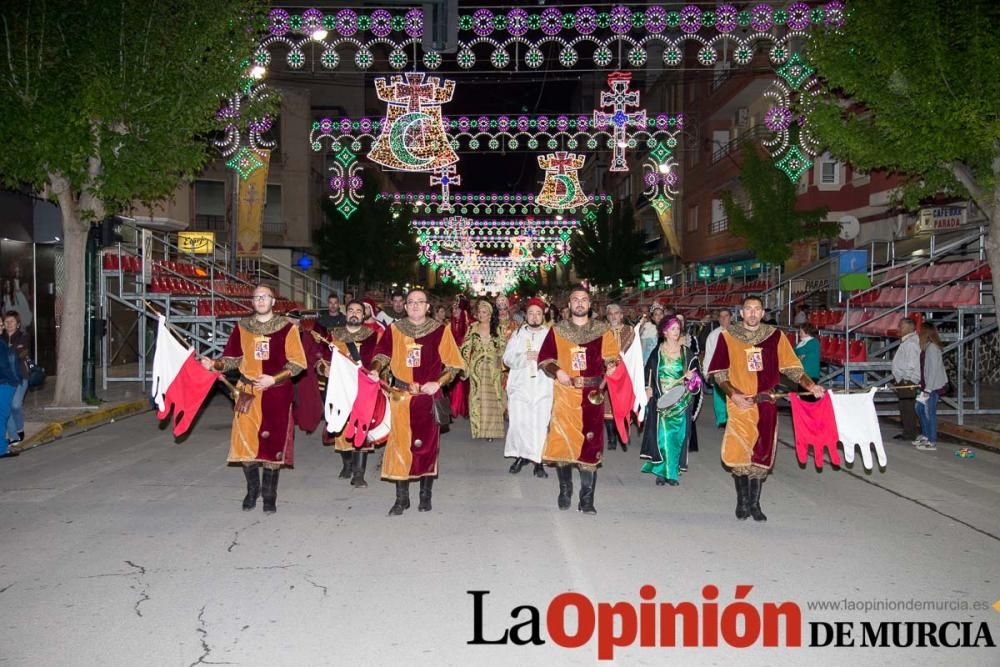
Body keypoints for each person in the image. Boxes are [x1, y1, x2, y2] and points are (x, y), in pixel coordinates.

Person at [707, 295, 824, 522]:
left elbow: (792, 367)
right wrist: (734, 394)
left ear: (762, 313)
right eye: (748, 309)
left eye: (757, 309)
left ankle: (755, 504)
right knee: (740, 454)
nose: (752, 313)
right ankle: (742, 503)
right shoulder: (728, 336)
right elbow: (719, 373)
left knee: (761, 454)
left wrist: (811, 385)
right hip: (741, 404)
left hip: (766, 404)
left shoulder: (775, 337)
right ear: (741, 313)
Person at [200, 285, 307, 513]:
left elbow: (298, 363)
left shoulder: (287, 328)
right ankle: (252, 490)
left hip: (275, 393)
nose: (260, 300)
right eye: (256, 297)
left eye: (265, 297)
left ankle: (269, 496)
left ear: (273, 301)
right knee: (245, 443)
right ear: (252, 301)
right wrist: (215, 364)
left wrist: (273, 379)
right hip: (247, 393)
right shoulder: (243, 327)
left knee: (271, 445)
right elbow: (232, 358)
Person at [370, 288, 465, 515]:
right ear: (404, 305)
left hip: (427, 397)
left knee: (426, 447)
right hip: (401, 397)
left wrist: (439, 383)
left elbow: (454, 364)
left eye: (419, 302)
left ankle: (425, 494)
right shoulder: (395, 329)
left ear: (427, 307)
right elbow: (381, 354)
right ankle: (401, 498)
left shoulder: (440, 331)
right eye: (410, 302)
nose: (414, 306)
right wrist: (375, 369)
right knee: (399, 446)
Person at [537, 286, 621, 515]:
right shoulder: (558, 330)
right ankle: (565, 489)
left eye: (584, 299)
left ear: (590, 304)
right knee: (564, 443)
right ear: (569, 304)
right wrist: (557, 371)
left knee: (590, 445)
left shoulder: (602, 330)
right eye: (575, 299)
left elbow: (612, 357)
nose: (580, 303)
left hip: (592, 395)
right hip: (566, 394)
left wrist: (612, 366)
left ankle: (587, 499)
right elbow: (545, 359)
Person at [320, 300, 383, 486]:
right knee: (341, 429)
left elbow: (380, 358)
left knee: (361, 426)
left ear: (364, 315)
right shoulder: (333, 335)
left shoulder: (374, 335)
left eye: (358, 311)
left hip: (363, 388)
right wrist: (324, 369)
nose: (354, 313)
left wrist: (376, 372)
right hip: (340, 390)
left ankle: (358, 473)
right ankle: (347, 464)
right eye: (350, 310)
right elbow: (322, 358)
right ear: (345, 313)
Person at [640, 318, 697, 486]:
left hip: (681, 401)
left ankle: (672, 473)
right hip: (662, 401)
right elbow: (648, 373)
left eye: (678, 328)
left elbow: (697, 380)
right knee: (663, 436)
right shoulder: (657, 352)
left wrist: (691, 378)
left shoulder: (687, 353)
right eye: (672, 329)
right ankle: (662, 471)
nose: (676, 331)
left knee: (677, 438)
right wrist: (648, 387)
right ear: (664, 332)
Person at [503, 298, 552, 478]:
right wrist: (525, 356)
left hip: (542, 386)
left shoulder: (550, 334)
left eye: (538, 313)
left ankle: (538, 461)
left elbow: (557, 359)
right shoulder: (518, 334)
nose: (534, 317)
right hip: (520, 386)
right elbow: (507, 358)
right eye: (531, 313)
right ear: (527, 315)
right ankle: (520, 456)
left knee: (540, 424)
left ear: (543, 315)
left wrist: (544, 360)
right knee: (519, 423)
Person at [460, 300, 506, 441]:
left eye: (484, 312)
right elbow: (465, 348)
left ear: (490, 314)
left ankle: (492, 432)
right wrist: (463, 366)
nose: (481, 315)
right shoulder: (472, 327)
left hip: (493, 368)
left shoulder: (498, 328)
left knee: (493, 399)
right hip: (477, 369)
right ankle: (479, 429)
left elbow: (503, 346)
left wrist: (501, 361)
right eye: (479, 312)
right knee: (477, 399)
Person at [603, 303, 636, 451]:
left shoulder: (630, 331)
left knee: (623, 404)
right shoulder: (602, 332)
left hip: (625, 374)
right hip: (607, 374)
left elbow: (635, 353)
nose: (613, 316)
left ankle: (621, 433)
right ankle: (611, 437)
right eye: (610, 314)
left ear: (622, 315)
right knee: (608, 407)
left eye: (616, 313)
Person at [914, 322, 947, 451]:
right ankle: (926, 435)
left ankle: (931, 440)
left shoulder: (932, 348)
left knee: (929, 412)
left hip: (932, 387)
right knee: (920, 409)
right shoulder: (928, 347)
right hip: (927, 385)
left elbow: (932, 370)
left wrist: (928, 388)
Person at [890, 317, 921, 442]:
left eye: (902, 326)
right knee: (904, 407)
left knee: (908, 407)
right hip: (903, 379)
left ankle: (910, 432)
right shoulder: (906, 342)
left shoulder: (912, 343)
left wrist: (906, 379)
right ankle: (907, 431)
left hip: (908, 380)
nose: (899, 329)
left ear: (909, 328)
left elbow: (912, 363)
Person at [2, 312, 30, 444]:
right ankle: (14, 436)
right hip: (6, 378)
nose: (9, 324)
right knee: (6, 406)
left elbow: (21, 352)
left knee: (15, 405)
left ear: (18, 324)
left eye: (12, 321)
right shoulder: (1, 337)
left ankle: (19, 428)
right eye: (6, 322)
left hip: (20, 376)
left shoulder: (23, 336)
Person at [703, 308, 732, 429]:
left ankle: (734, 418)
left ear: (731, 317)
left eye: (726, 316)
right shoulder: (713, 335)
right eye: (721, 316)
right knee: (719, 396)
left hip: (735, 369)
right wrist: (706, 371)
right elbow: (708, 354)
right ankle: (722, 419)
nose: (723, 318)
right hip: (719, 369)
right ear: (718, 319)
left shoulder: (739, 333)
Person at [448, 298, 471, 419]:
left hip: (464, 355)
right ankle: (454, 408)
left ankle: (464, 408)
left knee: (464, 381)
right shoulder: (449, 323)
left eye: (457, 309)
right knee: (454, 381)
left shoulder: (467, 323)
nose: (455, 311)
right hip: (452, 355)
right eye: (453, 309)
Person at [0, 333, 21, 458]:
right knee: (2, 415)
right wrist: (12, 380)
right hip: (4, 382)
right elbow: (3, 364)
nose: (1, 326)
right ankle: (2, 449)